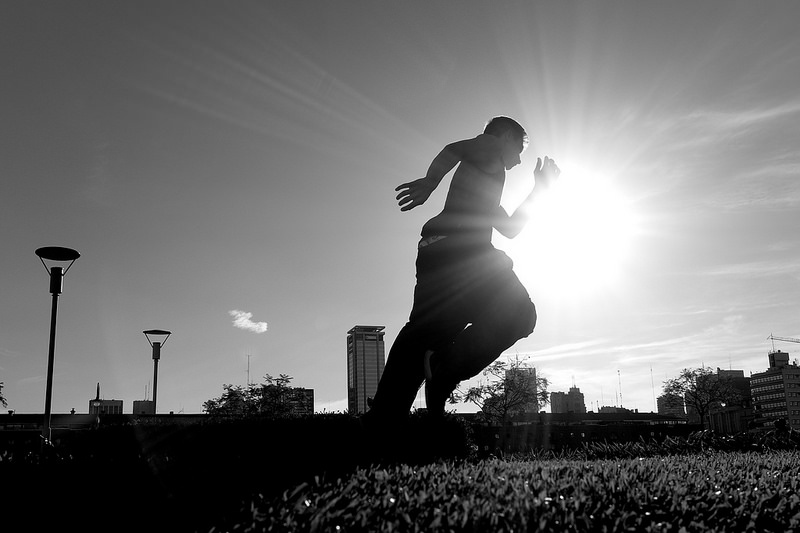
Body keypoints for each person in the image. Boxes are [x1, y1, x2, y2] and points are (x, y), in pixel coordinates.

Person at [368, 116, 560, 422]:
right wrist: (431, 181)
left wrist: (539, 191)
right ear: (506, 136)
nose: (520, 160)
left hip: (437, 252)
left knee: (424, 333)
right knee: (520, 315)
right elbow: (452, 149)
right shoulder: (489, 147)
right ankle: (445, 369)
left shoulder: (486, 180)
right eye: (519, 149)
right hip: (462, 253)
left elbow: (509, 228)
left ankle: (385, 413)